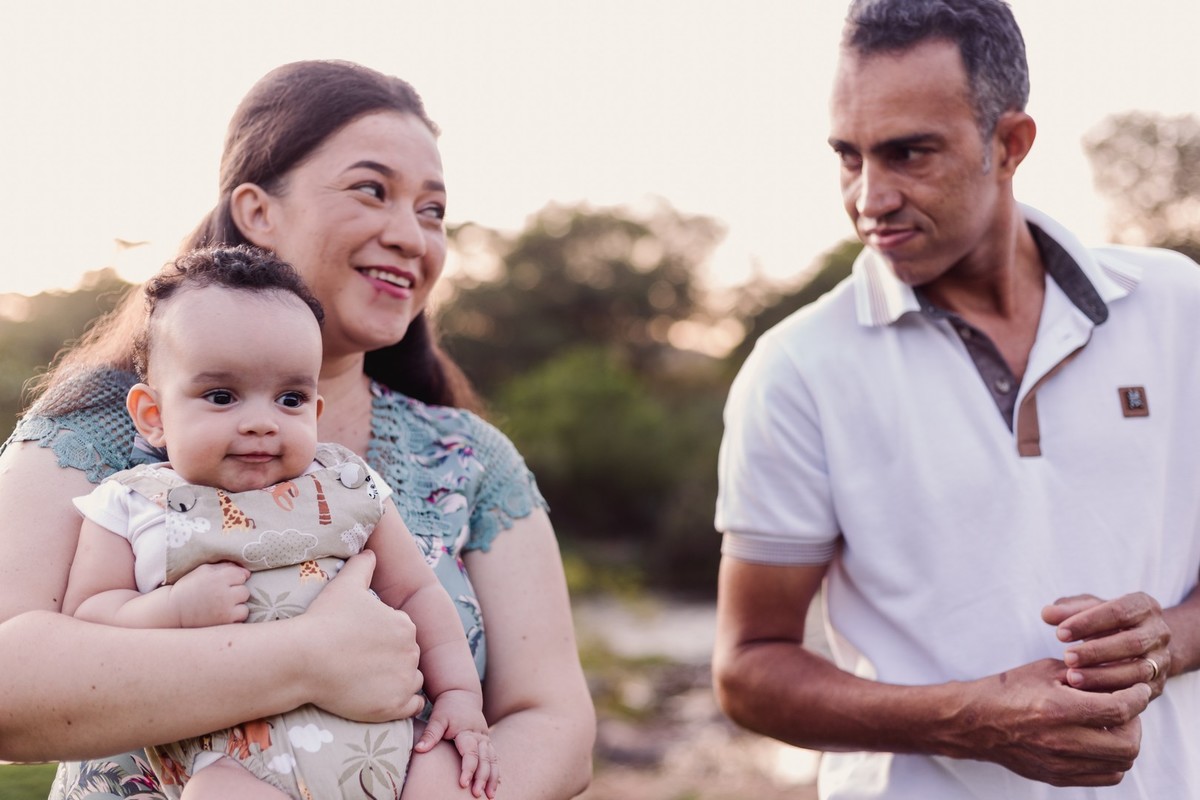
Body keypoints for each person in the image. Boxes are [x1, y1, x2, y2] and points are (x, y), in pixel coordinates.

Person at [0, 60, 594, 800]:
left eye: (433, 210)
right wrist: (307, 658)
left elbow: (556, 722)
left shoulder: (468, 458)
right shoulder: (94, 423)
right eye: (372, 190)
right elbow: (9, 684)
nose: (411, 235)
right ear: (257, 211)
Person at [712, 1, 1200, 798]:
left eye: (908, 154)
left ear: (1010, 145)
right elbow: (747, 670)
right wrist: (970, 720)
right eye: (849, 156)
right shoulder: (796, 367)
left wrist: (1165, 641)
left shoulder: (1180, 306)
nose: (869, 197)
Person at [62, 246, 497, 800]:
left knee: (454, 773)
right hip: (233, 764)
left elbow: (415, 591)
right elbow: (89, 616)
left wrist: (459, 694)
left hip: (388, 745)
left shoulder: (346, 482)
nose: (262, 423)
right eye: (222, 396)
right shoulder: (131, 502)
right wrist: (171, 609)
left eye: (290, 398)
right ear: (153, 415)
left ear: (314, 413)